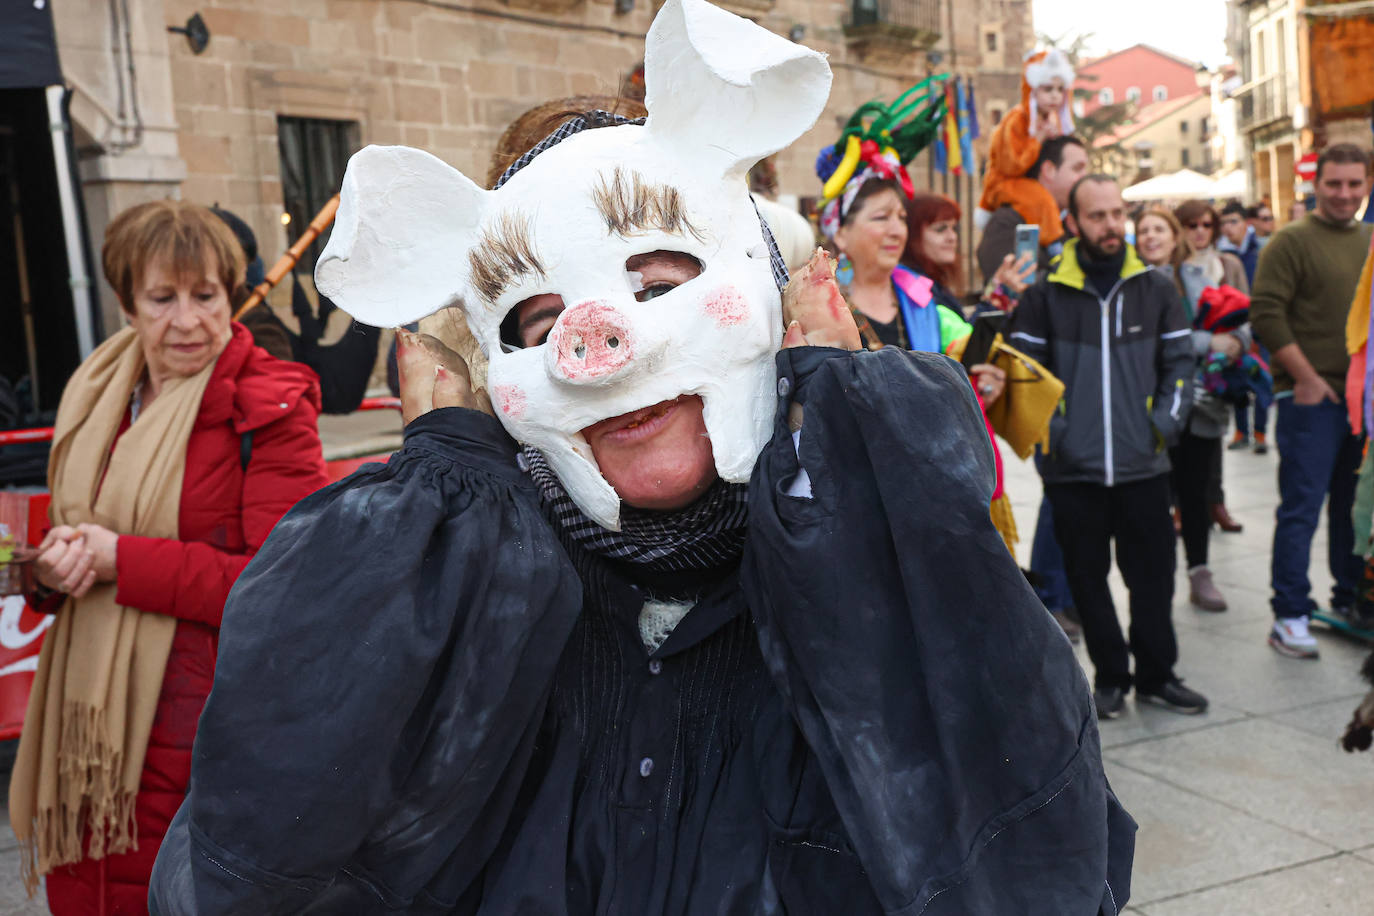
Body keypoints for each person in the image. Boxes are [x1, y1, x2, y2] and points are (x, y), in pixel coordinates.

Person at [149, 2, 1136, 911]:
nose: (596, 342)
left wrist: (850, 453)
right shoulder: (467, 585)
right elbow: (238, 876)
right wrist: (442, 498)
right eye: (537, 318)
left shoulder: (870, 549)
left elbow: (1037, 858)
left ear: (772, 292)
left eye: (658, 278)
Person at [8, 200, 329, 911]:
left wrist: (121, 559)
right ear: (127, 303)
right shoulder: (96, 393)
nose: (187, 321)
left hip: (203, 725)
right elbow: (77, 542)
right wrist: (50, 571)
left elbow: (285, 587)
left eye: (206, 296)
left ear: (231, 294)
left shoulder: (267, 406)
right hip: (87, 729)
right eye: (162, 298)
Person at [1007, 175, 1206, 719]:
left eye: (1118, 213)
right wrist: (1060, 441)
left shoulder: (1156, 288)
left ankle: (1158, 674)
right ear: (1073, 224)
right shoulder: (1045, 295)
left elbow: (1181, 366)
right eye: (1098, 216)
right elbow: (1023, 377)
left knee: (1154, 581)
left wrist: (1163, 425)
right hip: (1075, 472)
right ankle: (1112, 678)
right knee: (1087, 583)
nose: (1112, 225)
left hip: (1144, 465)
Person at [1251, 143, 1374, 658]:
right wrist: (1303, 377)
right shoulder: (1290, 241)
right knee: (1301, 509)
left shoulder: (1370, 239)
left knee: (1354, 511)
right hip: (1312, 398)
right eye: (1334, 184)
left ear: (1367, 184)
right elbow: (1266, 313)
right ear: (1316, 184)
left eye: (1353, 184)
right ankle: (1290, 613)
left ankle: (1349, 597)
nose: (1344, 194)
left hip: (1360, 403)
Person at [1137, 208, 1251, 611]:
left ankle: (1199, 573)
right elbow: (1156, 341)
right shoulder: (1131, 285)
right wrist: (1207, 343)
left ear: (1174, 236)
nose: (1152, 237)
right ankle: (1156, 580)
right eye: (1143, 230)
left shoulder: (1199, 276)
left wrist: (1237, 338)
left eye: (1159, 229)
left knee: (1196, 491)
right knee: (1155, 499)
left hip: (1201, 403)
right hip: (1150, 407)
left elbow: (1236, 315)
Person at [975, 49, 1077, 254]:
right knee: (1040, 199)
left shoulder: (1050, 119)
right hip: (1003, 183)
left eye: (1060, 89)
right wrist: (1037, 140)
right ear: (1033, 89)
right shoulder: (1016, 119)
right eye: (1048, 89)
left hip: (1028, 181)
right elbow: (1011, 166)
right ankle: (1055, 247)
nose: (1055, 96)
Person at [977, 135, 1089, 282]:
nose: (1084, 177)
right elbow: (1010, 289)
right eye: (1077, 168)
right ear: (1049, 170)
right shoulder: (1008, 222)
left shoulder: (1068, 222)